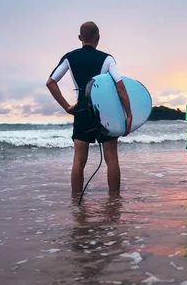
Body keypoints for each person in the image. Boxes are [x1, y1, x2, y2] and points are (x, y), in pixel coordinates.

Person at [46, 21, 132, 194]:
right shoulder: (107, 58)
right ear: (98, 38)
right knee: (111, 157)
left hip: (83, 109)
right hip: (105, 110)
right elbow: (120, 85)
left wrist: (67, 107)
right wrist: (128, 114)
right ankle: (114, 201)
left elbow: (51, 82)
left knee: (79, 159)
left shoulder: (70, 57)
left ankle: (76, 201)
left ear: (80, 38)